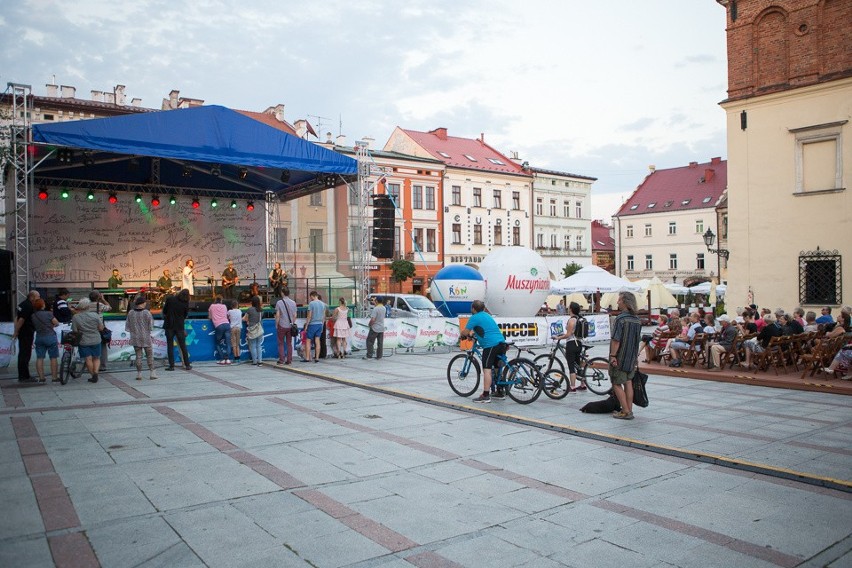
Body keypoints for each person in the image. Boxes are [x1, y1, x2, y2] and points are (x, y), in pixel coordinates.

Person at [460, 299, 507, 403]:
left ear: (473, 309)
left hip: (490, 345)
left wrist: (462, 335)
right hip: (501, 343)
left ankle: (485, 395)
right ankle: (499, 392)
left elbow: (465, 331)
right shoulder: (487, 316)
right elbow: (485, 330)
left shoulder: (474, 317)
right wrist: (472, 335)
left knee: (487, 369)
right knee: (497, 368)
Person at [609, 292, 642, 419]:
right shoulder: (637, 320)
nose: (617, 302)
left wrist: (613, 356)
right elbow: (637, 340)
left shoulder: (621, 319)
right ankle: (629, 409)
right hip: (631, 357)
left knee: (616, 383)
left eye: (619, 300)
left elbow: (616, 340)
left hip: (620, 357)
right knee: (628, 382)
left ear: (625, 302)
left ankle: (625, 411)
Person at [550, 301, 587, 392]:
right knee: (578, 365)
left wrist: (558, 337)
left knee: (571, 366)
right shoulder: (579, 318)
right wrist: (562, 334)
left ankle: (572, 386)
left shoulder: (571, 320)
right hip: (579, 343)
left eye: (569, 307)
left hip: (571, 344)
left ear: (571, 309)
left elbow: (568, 335)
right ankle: (583, 384)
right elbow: (572, 333)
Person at [72, 298, 105, 383]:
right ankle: (96, 372)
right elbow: (101, 328)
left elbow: (75, 331)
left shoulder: (76, 317)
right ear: (88, 306)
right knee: (96, 358)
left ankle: (93, 376)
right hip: (96, 339)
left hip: (83, 340)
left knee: (88, 359)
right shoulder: (95, 315)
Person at [126, 295, 157, 381]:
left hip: (135, 337)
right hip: (145, 337)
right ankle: (152, 372)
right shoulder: (146, 312)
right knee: (149, 355)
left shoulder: (131, 313)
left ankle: (139, 374)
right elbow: (151, 326)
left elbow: (127, 326)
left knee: (138, 356)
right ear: (143, 303)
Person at [12, 290, 39, 382]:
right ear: (32, 297)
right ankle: (24, 376)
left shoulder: (22, 304)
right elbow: (21, 320)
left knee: (23, 354)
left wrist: (16, 329)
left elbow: (17, 317)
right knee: (25, 354)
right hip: (26, 332)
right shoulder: (28, 306)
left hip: (23, 332)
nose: (38, 299)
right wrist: (16, 331)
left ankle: (24, 375)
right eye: (37, 297)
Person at [31, 298, 60, 383]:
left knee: (39, 358)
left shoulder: (33, 315)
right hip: (50, 337)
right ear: (43, 305)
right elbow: (57, 323)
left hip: (39, 337)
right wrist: (51, 326)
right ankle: (54, 377)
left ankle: (41, 378)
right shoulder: (49, 314)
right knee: (53, 358)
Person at [162, 288, 191, 371]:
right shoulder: (185, 303)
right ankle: (187, 365)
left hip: (169, 325)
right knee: (183, 346)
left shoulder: (170, 299)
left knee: (170, 346)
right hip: (179, 326)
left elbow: (165, 311)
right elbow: (185, 315)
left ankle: (171, 366)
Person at [89, 291, 112, 371]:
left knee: (89, 347)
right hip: (99, 329)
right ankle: (102, 365)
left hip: (88, 329)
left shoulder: (85, 305)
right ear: (98, 297)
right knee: (102, 347)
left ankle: (90, 365)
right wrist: (103, 299)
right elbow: (109, 307)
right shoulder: (100, 305)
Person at [274, 287, 297, 365]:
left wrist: (276, 324)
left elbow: (278, 315)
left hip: (282, 325)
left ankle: (281, 360)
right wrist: (292, 323)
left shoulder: (279, 303)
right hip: (290, 326)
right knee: (289, 343)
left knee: (280, 343)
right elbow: (295, 315)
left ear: (282, 293)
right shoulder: (293, 303)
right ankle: (289, 360)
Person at [303, 291, 326, 362]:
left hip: (312, 324)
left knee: (308, 340)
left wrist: (306, 325)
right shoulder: (323, 304)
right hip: (320, 324)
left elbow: (309, 316)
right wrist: (322, 325)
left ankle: (307, 358)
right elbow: (323, 316)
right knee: (317, 340)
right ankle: (317, 358)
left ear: (312, 296)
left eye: (310, 297)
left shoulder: (311, 303)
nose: (310, 298)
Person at [363, 296, 387, 361]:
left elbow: (373, 319)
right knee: (380, 343)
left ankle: (369, 355)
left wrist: (369, 324)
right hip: (381, 327)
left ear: (376, 301)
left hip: (375, 328)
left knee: (370, 341)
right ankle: (379, 356)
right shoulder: (384, 308)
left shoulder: (375, 309)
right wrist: (375, 303)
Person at [209, 297, 231, 364]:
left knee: (217, 343)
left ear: (215, 300)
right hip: (227, 324)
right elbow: (227, 316)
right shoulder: (224, 306)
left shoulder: (212, 306)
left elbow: (210, 317)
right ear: (221, 301)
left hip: (219, 326)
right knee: (228, 344)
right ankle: (227, 359)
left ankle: (222, 359)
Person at [243, 295, 264, 366]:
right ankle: (260, 361)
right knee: (259, 345)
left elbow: (245, 319)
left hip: (252, 329)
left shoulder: (250, 309)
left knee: (253, 346)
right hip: (259, 329)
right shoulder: (261, 310)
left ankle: (254, 361)